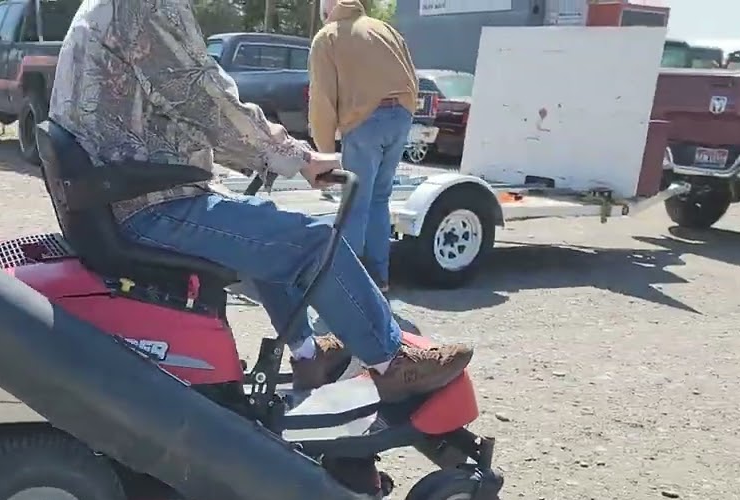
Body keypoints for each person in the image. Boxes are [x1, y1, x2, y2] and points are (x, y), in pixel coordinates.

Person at [49, 0, 472, 402]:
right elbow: (206, 101)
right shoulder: (148, 7)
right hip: (149, 203)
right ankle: (391, 361)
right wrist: (296, 157)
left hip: (126, 192)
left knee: (268, 232)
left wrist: (262, 155)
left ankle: (309, 356)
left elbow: (170, 109)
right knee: (313, 242)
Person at [308, 0, 419, 294]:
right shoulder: (385, 29)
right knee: (379, 199)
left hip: (364, 121)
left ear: (328, 7)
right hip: (401, 116)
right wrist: (405, 111)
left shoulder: (329, 36)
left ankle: (347, 285)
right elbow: (412, 76)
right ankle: (378, 279)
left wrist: (324, 154)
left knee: (354, 202)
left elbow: (322, 100)